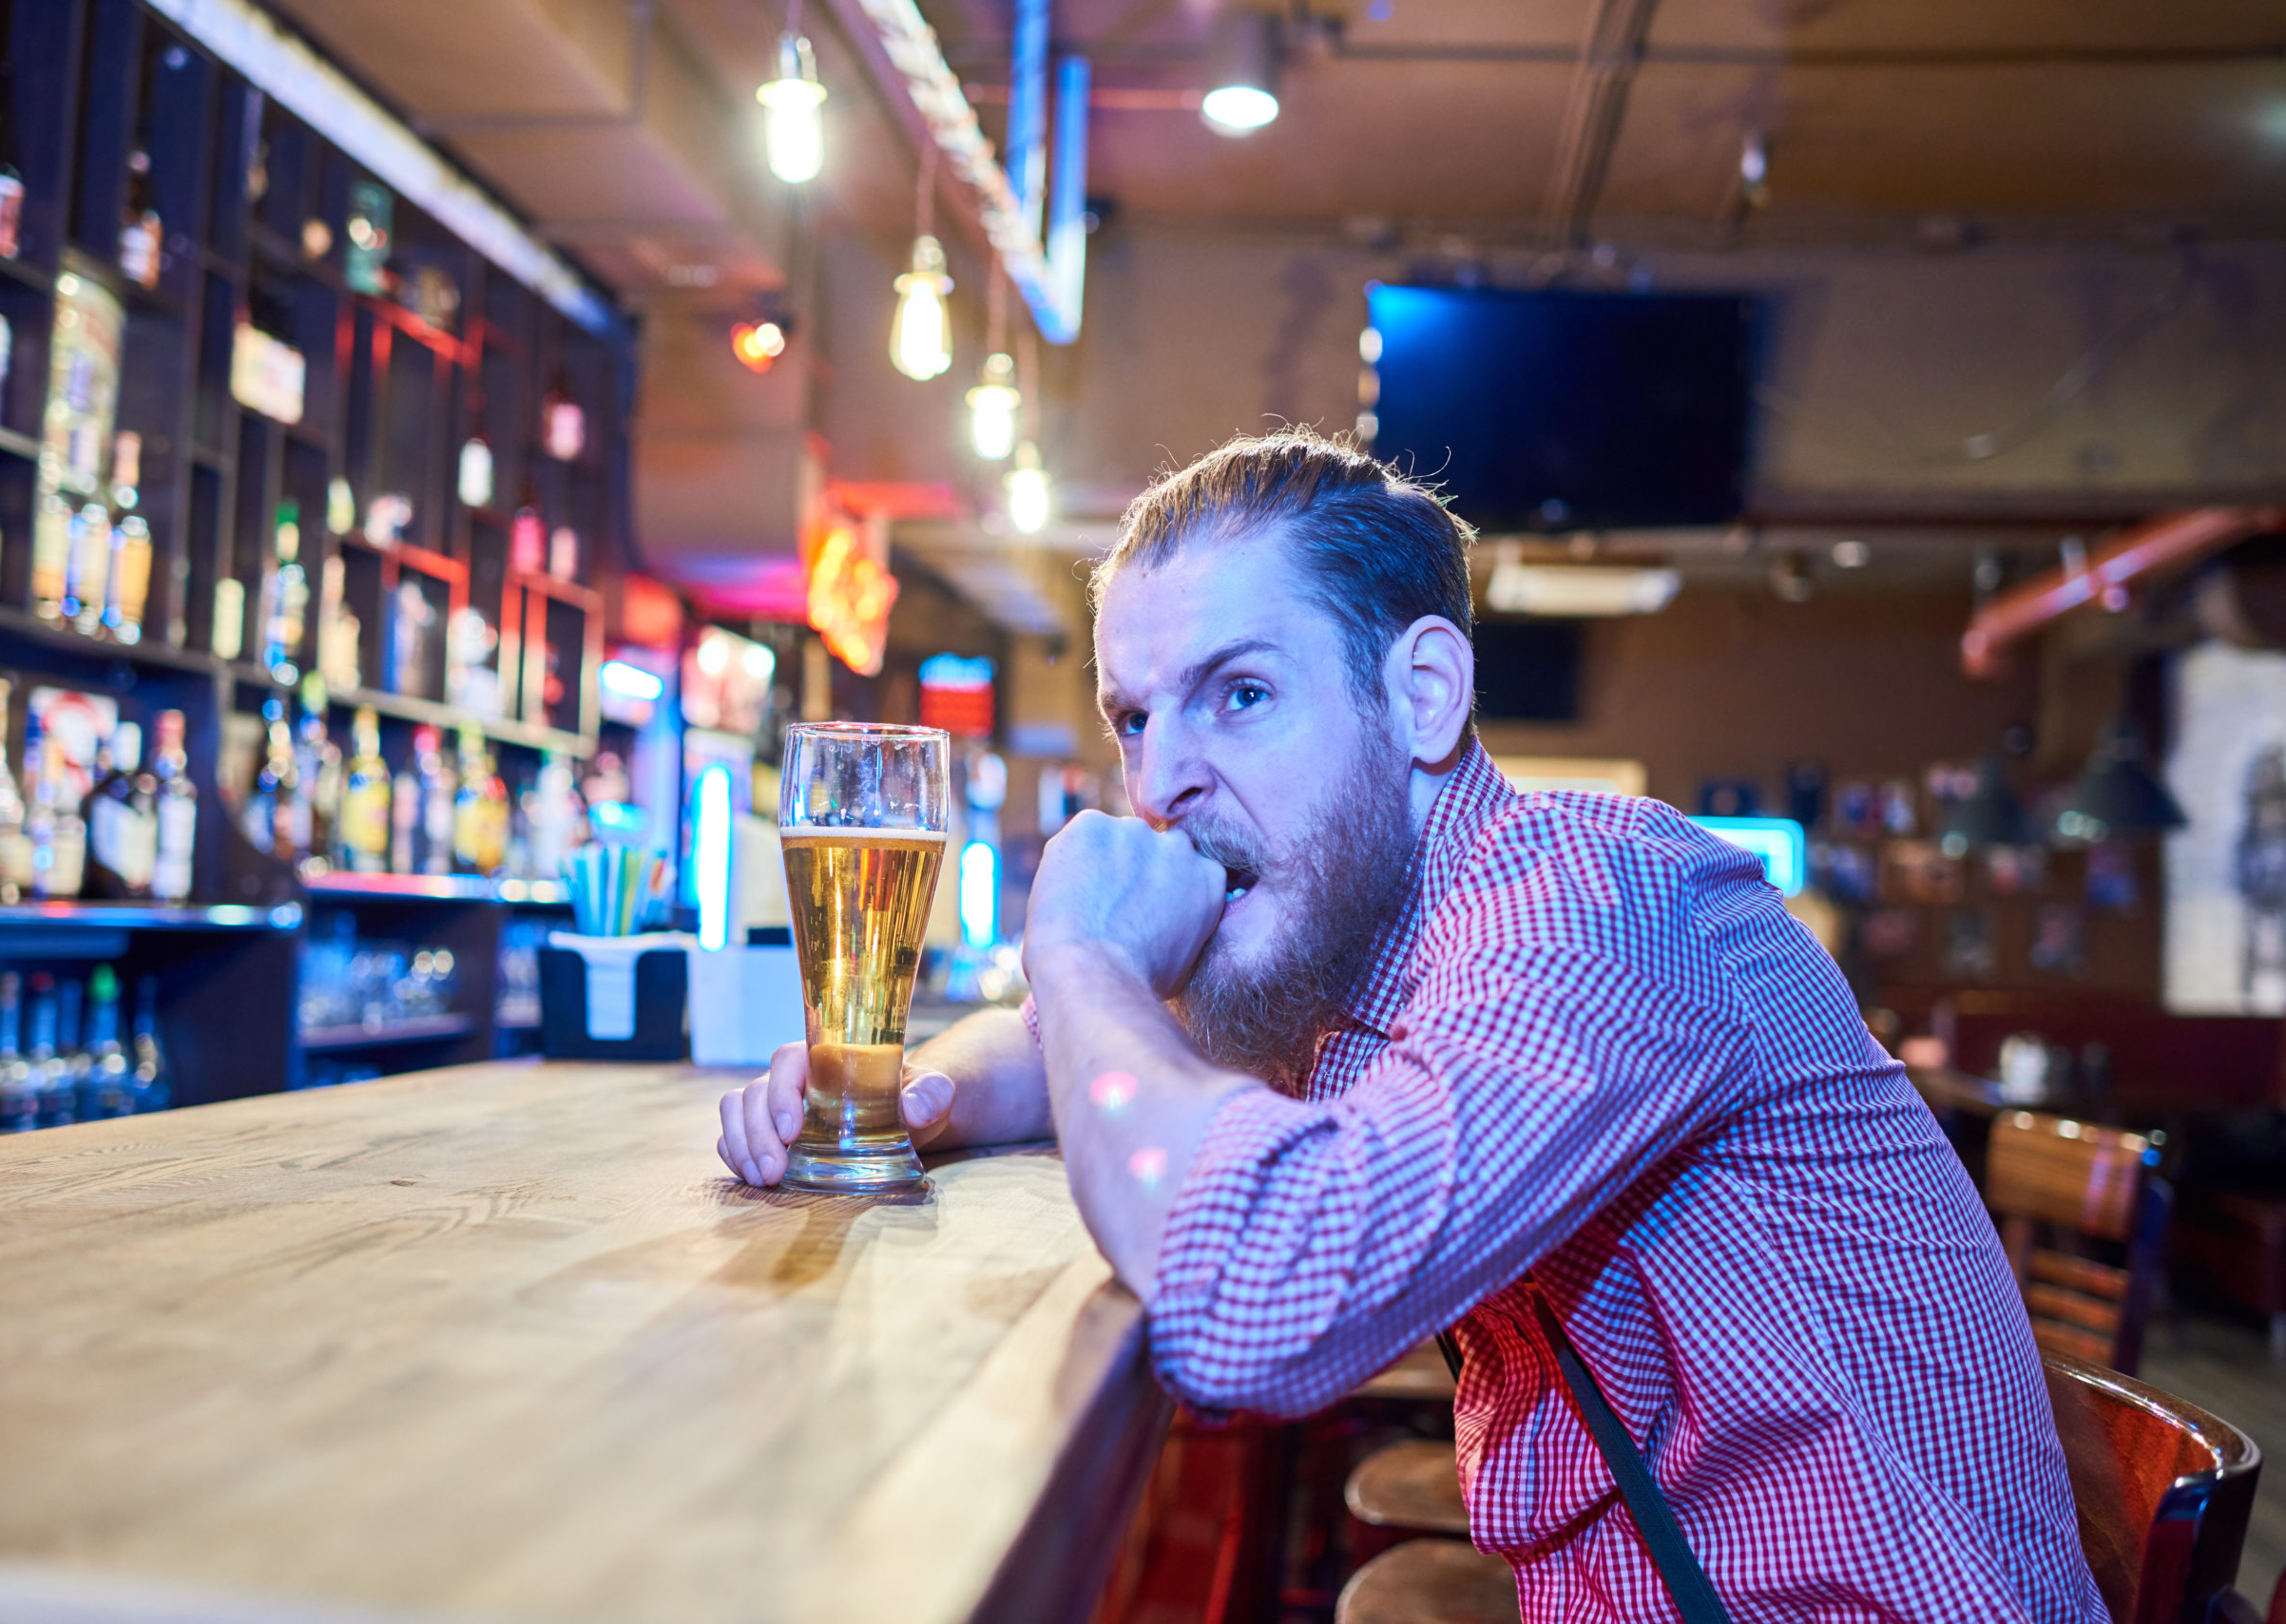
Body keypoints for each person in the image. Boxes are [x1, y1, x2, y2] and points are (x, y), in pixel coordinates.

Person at [717, 429, 2106, 1623]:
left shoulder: (1595, 903)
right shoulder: (1344, 940)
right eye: (1136, 717)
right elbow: (1047, 1047)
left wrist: (1082, 954)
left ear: (1422, 694)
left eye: (1239, 695)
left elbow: (1252, 1300)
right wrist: (890, 1095)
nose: (1160, 781)